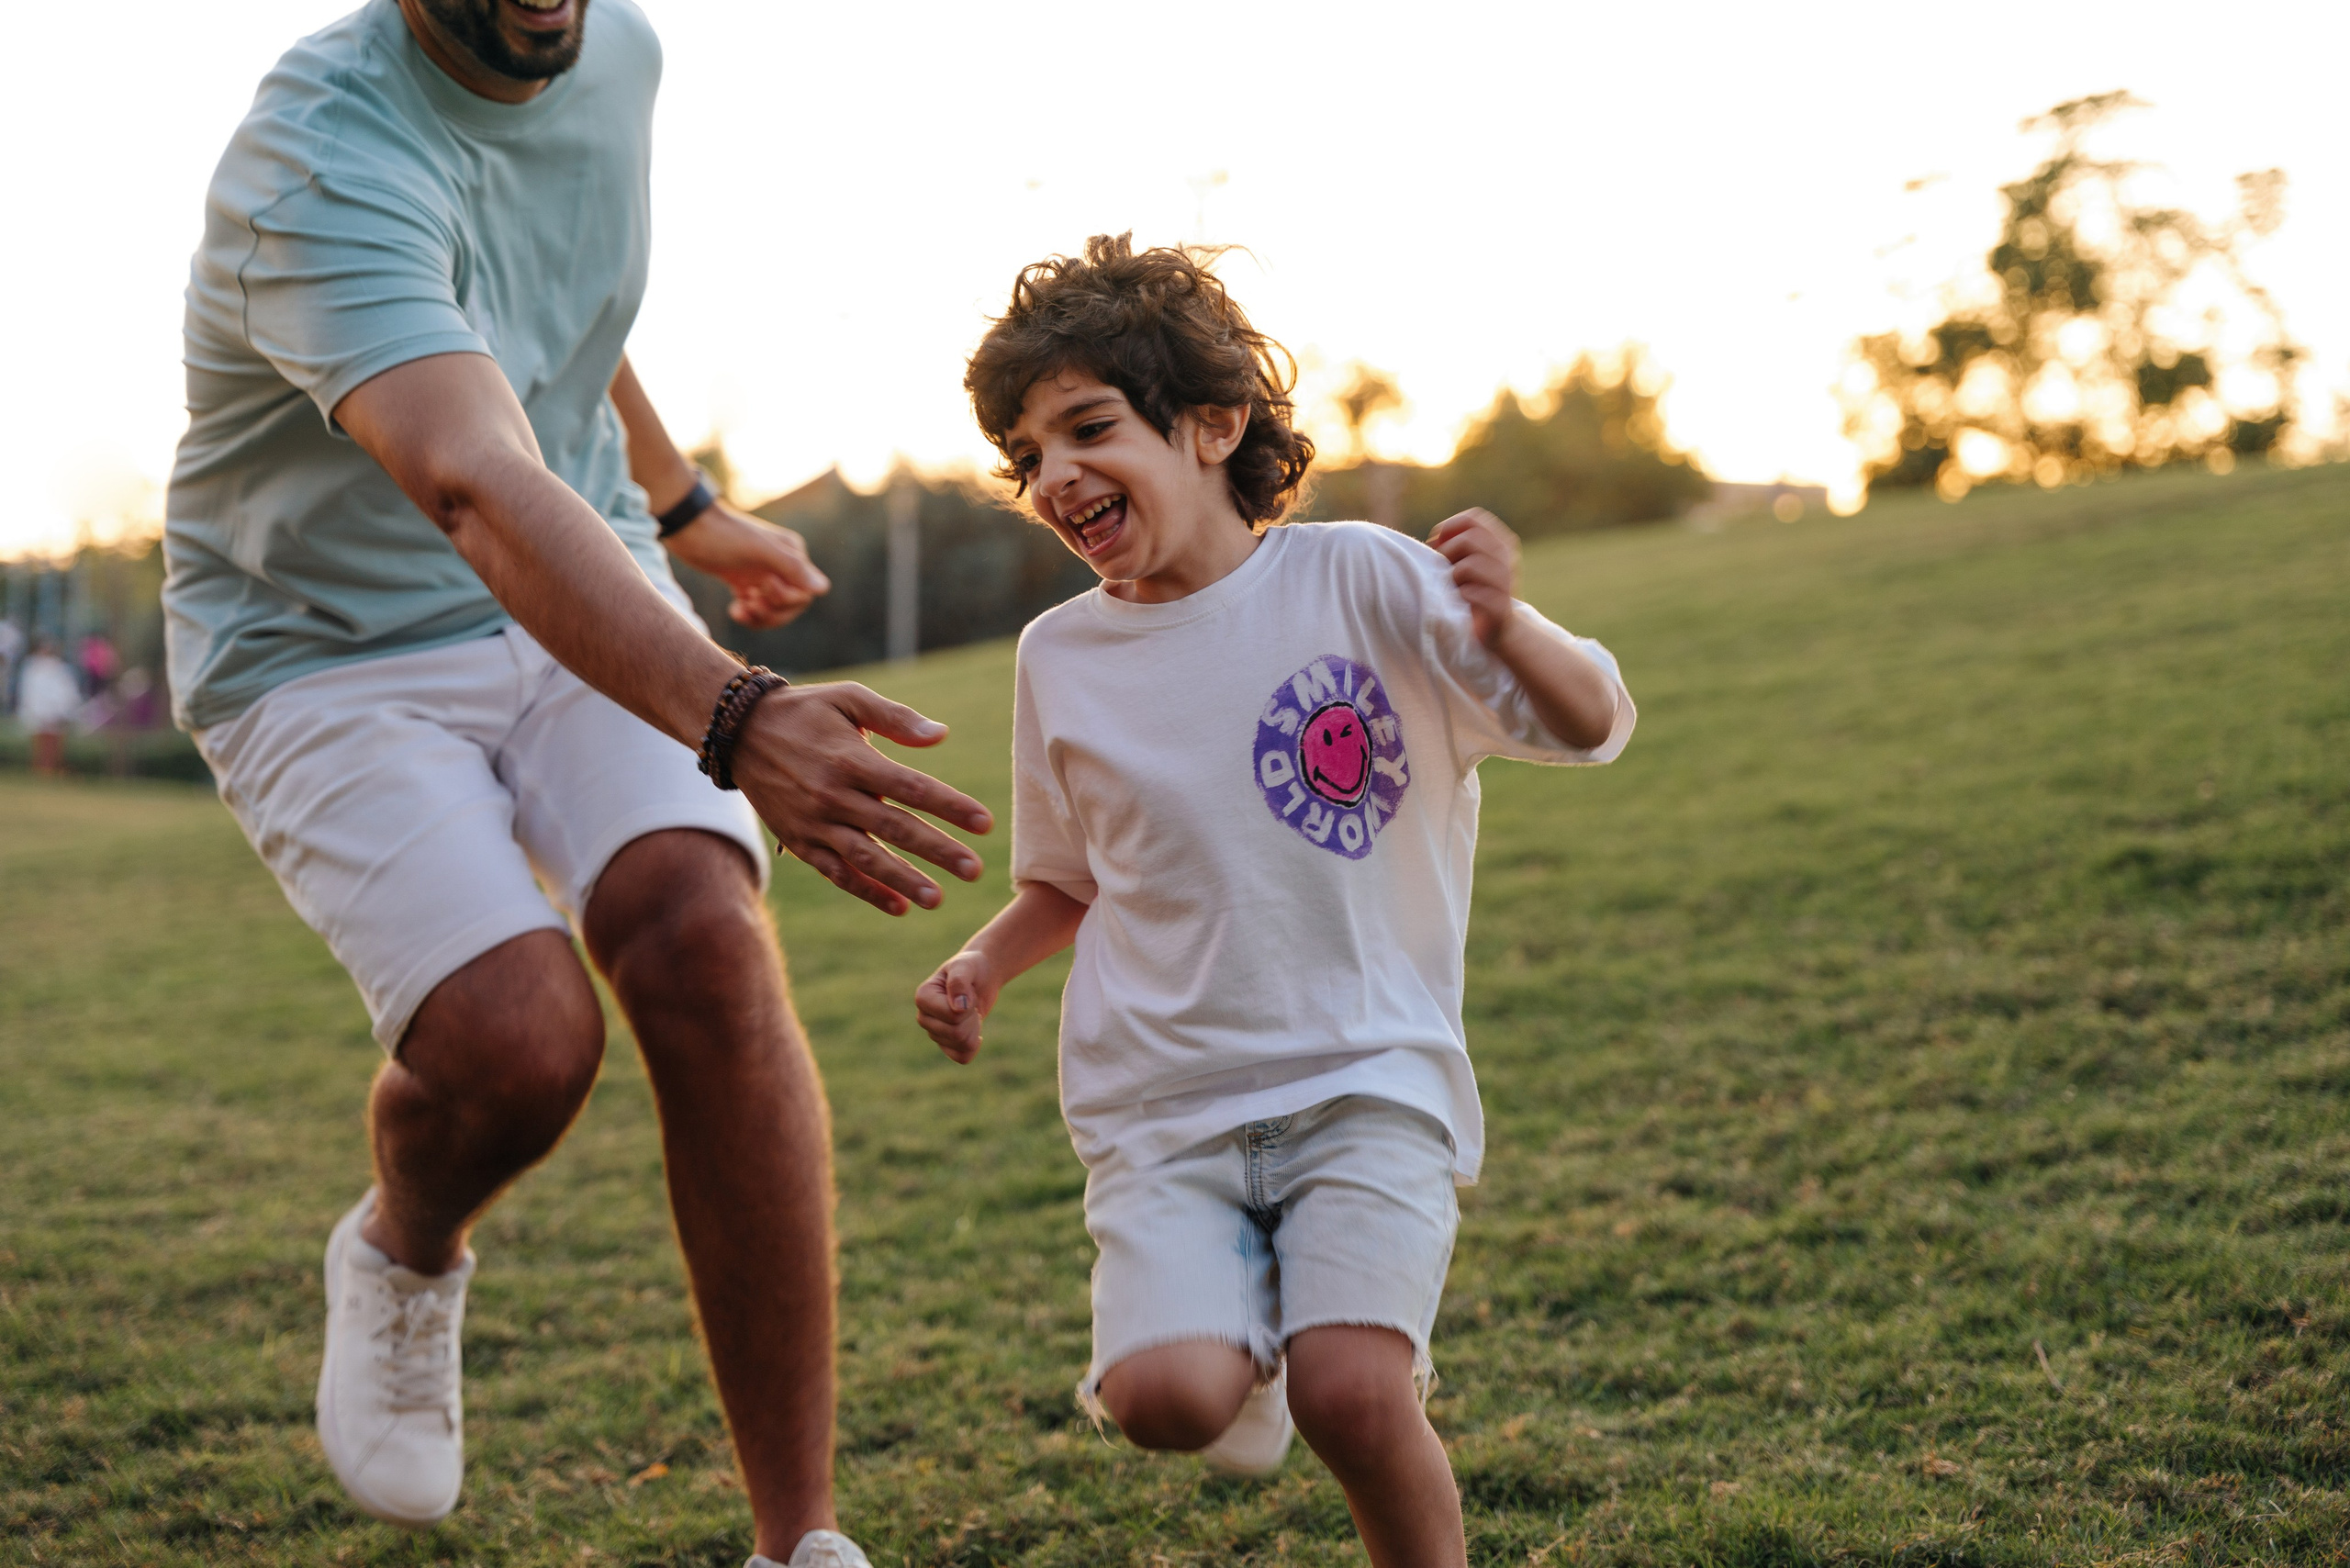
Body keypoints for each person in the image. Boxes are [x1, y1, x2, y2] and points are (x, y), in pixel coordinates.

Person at [164, 3, 990, 1563]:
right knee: (521, 1041)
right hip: (329, 647)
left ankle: (798, 1540)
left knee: (704, 940)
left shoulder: (614, 49)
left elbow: (558, 321)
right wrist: (739, 714)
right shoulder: (318, 161)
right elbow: (470, 474)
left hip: (581, 562)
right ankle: (407, 1246)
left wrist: (682, 508)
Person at [912, 235, 1636, 1566]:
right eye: (1028, 457)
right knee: (1163, 1401)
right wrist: (982, 965)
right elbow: (1068, 880)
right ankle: (1240, 1350)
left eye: (1086, 427)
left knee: (1353, 1396)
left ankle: (1326, 1359)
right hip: (1165, 1110)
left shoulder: (1357, 580)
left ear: (1213, 423)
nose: (1056, 474)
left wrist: (1508, 626)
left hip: (1369, 1081)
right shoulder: (1059, 658)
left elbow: (1593, 723)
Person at [18, 637, 82, 778]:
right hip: (40, 714)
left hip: (55, 715)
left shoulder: (59, 669)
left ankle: (51, 772)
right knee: (41, 748)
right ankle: (42, 772)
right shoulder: (33, 669)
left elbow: (66, 693)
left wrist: (63, 712)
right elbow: (30, 694)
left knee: (54, 748)